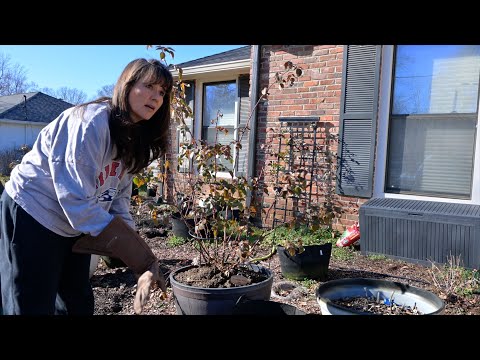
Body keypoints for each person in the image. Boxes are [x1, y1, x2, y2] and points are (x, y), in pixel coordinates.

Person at [0, 58, 171, 315]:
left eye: (162, 92)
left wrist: (138, 254)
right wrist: (138, 256)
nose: (156, 97)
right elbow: (76, 200)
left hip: (74, 225)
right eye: (149, 87)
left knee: (76, 303)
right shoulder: (91, 123)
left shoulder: (132, 137)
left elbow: (118, 199)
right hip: (33, 213)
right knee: (31, 303)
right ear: (127, 86)